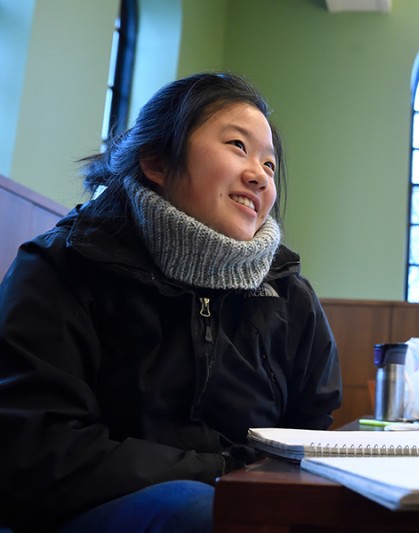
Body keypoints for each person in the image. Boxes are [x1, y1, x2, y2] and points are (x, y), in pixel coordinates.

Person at [0, 72, 342, 532]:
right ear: (157, 162)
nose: (259, 174)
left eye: (270, 164)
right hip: (86, 512)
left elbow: (308, 432)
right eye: (238, 146)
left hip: (244, 505)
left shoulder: (289, 295)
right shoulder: (61, 267)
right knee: (199, 512)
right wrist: (225, 469)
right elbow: (36, 451)